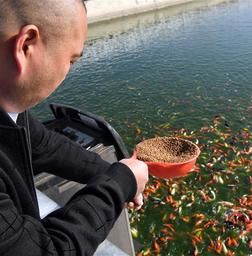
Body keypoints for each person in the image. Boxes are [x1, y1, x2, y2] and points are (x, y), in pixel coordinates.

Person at [0, 0, 149, 255]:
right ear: (26, 45)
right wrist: (117, 185)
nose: (68, 70)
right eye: (71, 59)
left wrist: (117, 174)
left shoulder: (11, 111)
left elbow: (45, 145)